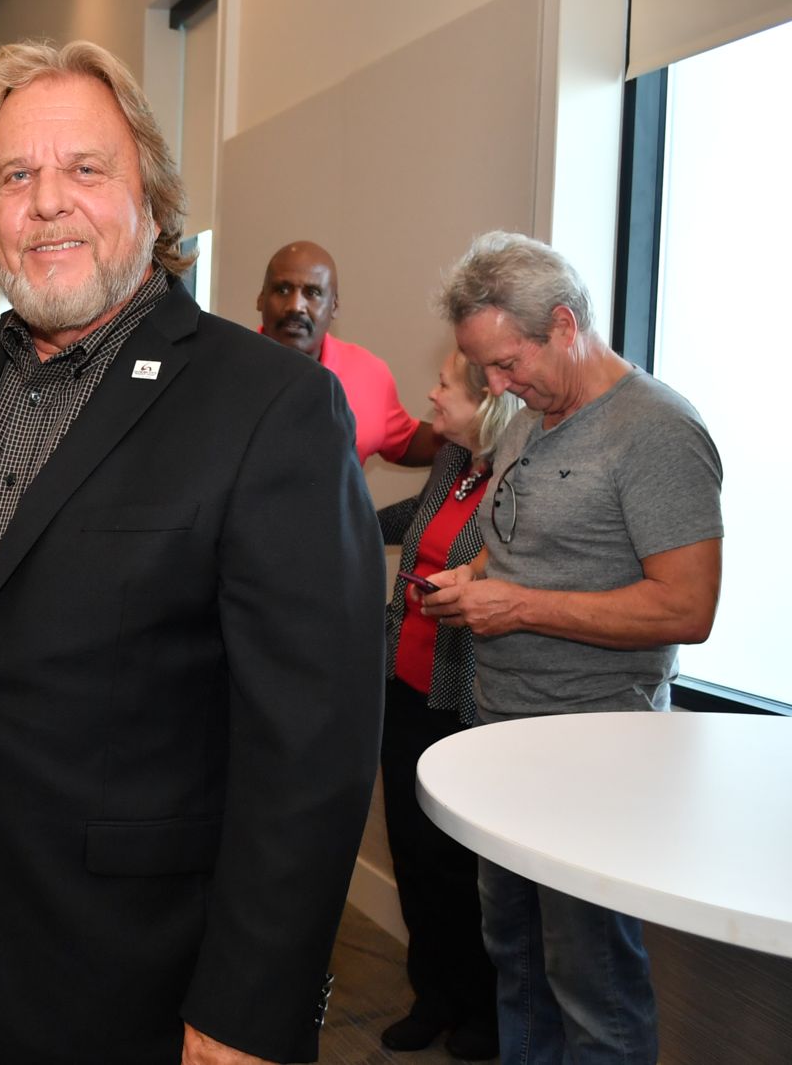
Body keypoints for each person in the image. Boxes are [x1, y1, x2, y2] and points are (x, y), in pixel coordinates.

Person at [0, 40, 385, 1065]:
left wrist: (246, 1007)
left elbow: (309, 747)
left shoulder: (269, 408)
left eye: (84, 170)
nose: (46, 202)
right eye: (16, 176)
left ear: (152, 198)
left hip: (129, 978)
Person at [421, 231, 723, 1065]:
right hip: (504, 735)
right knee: (514, 961)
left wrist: (517, 605)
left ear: (564, 323)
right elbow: (516, 543)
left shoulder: (657, 430)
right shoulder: (528, 420)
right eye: (485, 369)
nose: (497, 386)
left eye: (508, 362)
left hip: (597, 754)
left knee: (592, 984)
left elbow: (688, 607)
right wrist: (472, 576)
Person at [376, 350, 522, 1060]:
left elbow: (499, 565)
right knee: (410, 852)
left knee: (459, 865)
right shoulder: (451, 463)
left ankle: (480, 1009)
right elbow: (414, 519)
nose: (430, 395)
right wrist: (346, 515)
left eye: (443, 385)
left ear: (486, 402)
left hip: (459, 699)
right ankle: (430, 994)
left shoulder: (515, 481)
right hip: (400, 686)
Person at [257, 241, 439, 466]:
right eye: (282, 290)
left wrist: (476, 431)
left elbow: (406, 441)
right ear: (261, 299)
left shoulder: (369, 373)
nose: (295, 306)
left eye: (312, 293)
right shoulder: (226, 369)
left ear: (334, 307)